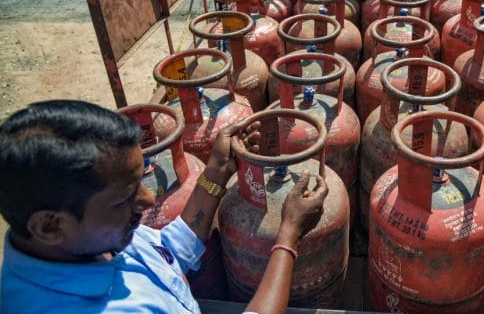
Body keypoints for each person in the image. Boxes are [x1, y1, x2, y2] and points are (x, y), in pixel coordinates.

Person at [0, 100, 328, 313]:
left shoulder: (91, 241)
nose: (146, 200)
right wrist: (288, 236)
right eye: (124, 196)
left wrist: (217, 169)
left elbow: (169, 250)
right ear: (49, 226)